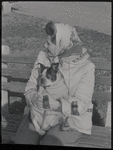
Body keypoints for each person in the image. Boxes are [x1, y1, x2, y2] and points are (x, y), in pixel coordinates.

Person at [11, 21, 95, 146]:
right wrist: (34, 98)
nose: (45, 45)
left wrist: (57, 105)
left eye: (49, 43)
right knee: (23, 142)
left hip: (70, 119)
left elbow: (81, 105)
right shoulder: (44, 57)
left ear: (61, 44)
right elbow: (30, 87)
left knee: (51, 143)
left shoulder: (86, 67)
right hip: (38, 115)